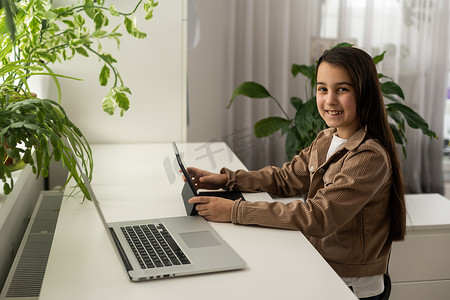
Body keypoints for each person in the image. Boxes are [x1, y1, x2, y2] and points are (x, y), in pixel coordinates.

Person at [185, 46, 406, 300]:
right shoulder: (327, 138)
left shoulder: (369, 157)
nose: (329, 100)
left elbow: (319, 216)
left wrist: (233, 211)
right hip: (321, 266)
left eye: (342, 89)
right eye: (322, 89)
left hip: (350, 286)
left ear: (364, 93)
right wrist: (228, 179)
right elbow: (285, 178)